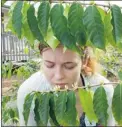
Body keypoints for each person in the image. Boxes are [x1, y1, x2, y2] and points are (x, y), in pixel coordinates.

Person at [17, 44, 115, 126]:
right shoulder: (29, 91)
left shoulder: (104, 89)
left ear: (84, 61)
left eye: (69, 66)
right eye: (49, 65)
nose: (58, 76)